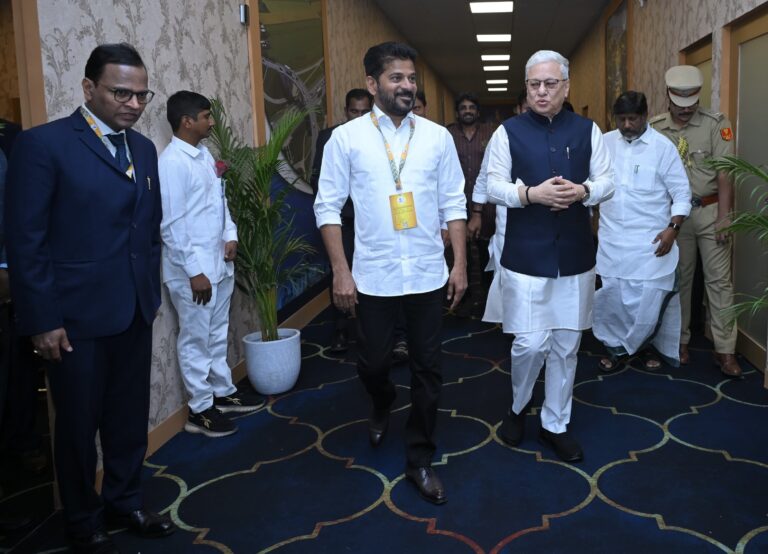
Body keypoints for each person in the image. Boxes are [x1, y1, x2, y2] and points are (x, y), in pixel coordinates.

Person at [4, 43, 175, 553]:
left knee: (128, 419)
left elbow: (148, 230)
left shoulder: (143, 148)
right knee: (78, 426)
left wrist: (149, 293)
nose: (134, 104)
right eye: (121, 93)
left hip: (133, 310)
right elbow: (26, 241)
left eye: (141, 95)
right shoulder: (43, 145)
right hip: (73, 319)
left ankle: (126, 499)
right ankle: (82, 518)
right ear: (88, 88)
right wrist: (42, 319)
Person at [314, 41, 466, 505]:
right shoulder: (346, 139)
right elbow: (327, 207)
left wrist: (460, 264)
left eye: (411, 78)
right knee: (374, 363)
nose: (407, 86)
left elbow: (454, 203)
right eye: (396, 77)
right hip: (374, 276)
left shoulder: (437, 137)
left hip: (426, 273)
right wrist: (341, 272)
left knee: (428, 369)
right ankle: (382, 401)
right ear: (372, 83)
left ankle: (420, 458)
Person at [485, 50, 614, 463]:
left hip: (575, 256)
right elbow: (491, 186)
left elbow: (609, 181)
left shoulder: (588, 130)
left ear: (566, 87)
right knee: (529, 343)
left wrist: (584, 191)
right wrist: (530, 194)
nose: (541, 91)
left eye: (550, 84)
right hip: (525, 255)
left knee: (566, 345)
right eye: (534, 84)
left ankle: (555, 424)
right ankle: (518, 406)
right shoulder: (507, 132)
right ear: (526, 88)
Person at [159, 91, 264, 439]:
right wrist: (194, 272)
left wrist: (230, 235)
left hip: (218, 263)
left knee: (217, 333)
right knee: (195, 339)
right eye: (206, 116)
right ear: (187, 121)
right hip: (194, 273)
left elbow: (220, 202)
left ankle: (222, 391)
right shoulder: (172, 163)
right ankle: (200, 409)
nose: (212, 122)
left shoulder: (203, 154)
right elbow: (171, 225)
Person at [649, 65, 742, 377]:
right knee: (680, 280)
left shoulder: (716, 124)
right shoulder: (656, 128)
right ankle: (679, 341)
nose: (686, 110)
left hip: (710, 210)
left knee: (719, 281)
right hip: (674, 216)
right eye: (680, 103)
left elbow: (725, 172)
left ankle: (725, 349)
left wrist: (725, 216)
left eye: (691, 103)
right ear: (668, 96)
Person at [594, 91, 691, 371]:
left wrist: (673, 228)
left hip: (651, 243)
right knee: (614, 298)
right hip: (613, 241)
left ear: (645, 116)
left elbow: (681, 193)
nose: (627, 125)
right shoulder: (603, 143)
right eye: (621, 119)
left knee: (648, 299)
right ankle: (616, 349)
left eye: (633, 119)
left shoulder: (662, 147)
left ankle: (648, 347)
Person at [448, 93, 495, 317]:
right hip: (456, 203)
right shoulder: (448, 135)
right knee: (460, 253)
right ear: (457, 112)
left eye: (471, 107)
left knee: (487, 252)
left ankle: (488, 298)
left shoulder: (492, 133)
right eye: (463, 107)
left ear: (477, 111)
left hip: (487, 205)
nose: (467, 111)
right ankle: (463, 300)